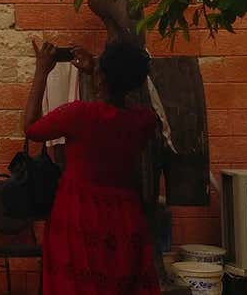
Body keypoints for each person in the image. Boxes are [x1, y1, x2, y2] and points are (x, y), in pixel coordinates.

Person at [24, 39, 160, 295]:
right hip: (124, 217)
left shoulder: (79, 115)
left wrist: (42, 70)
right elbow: (118, 89)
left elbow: (31, 126)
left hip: (78, 215)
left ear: (101, 79)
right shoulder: (144, 122)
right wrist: (98, 69)